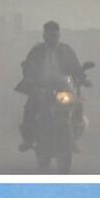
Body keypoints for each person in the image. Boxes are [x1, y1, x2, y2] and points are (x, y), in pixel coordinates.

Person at [15, 21, 85, 151]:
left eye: (55, 35)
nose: (52, 38)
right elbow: (28, 66)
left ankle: (74, 138)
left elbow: (76, 67)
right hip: (42, 89)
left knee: (79, 105)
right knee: (30, 107)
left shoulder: (66, 50)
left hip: (64, 88)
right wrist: (29, 77)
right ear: (44, 36)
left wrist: (81, 77)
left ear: (59, 35)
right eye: (49, 35)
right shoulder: (37, 50)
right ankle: (29, 139)